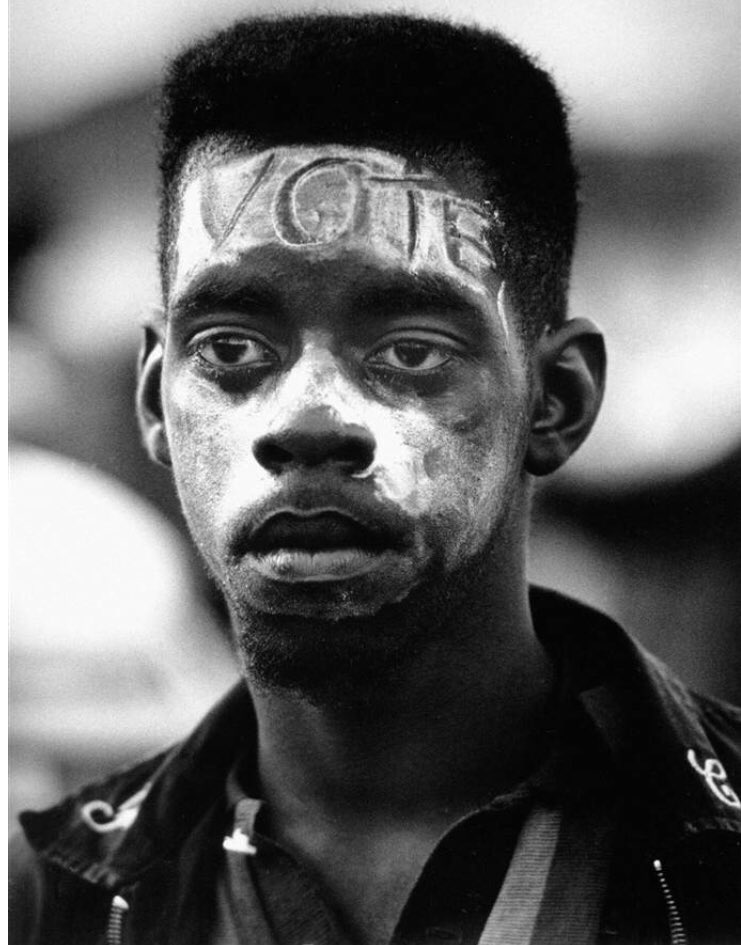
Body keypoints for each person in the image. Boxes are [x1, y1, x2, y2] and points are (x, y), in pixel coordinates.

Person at [10, 13, 741, 945]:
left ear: (555, 398)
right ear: (156, 398)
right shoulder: (46, 896)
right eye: (230, 348)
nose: (306, 418)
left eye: (409, 349)